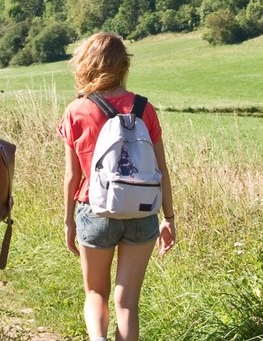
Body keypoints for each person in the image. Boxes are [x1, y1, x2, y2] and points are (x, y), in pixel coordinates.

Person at [59, 33, 177, 341]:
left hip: (94, 210)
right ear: (123, 65)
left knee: (96, 292)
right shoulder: (144, 108)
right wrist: (169, 219)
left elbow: (72, 177)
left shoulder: (77, 110)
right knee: (127, 304)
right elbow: (161, 170)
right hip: (141, 212)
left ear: (86, 64)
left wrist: (69, 221)